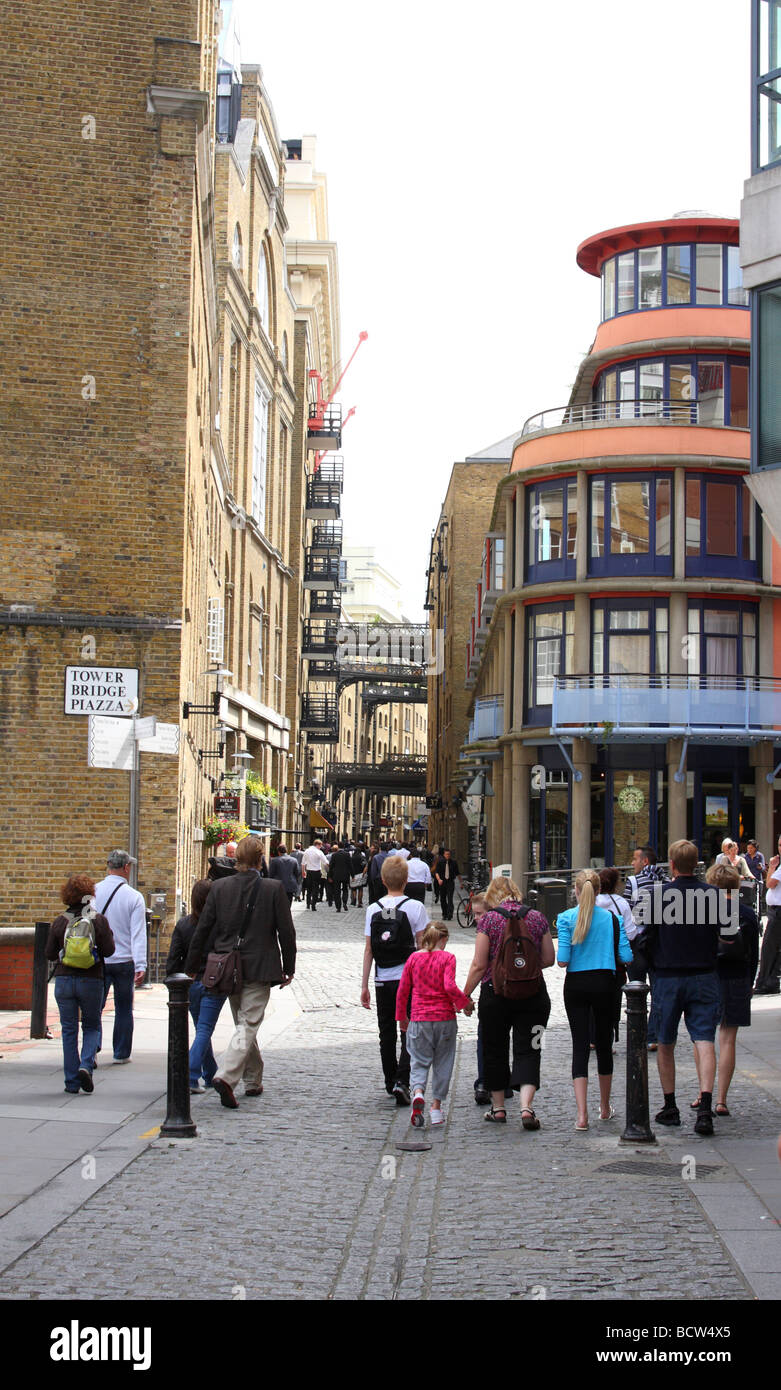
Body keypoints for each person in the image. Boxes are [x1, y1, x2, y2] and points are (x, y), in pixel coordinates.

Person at [185, 834, 296, 1109]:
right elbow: (286, 932)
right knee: (247, 1025)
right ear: (260, 859)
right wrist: (289, 968)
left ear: (237, 860)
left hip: (229, 968)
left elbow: (202, 930)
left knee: (244, 1026)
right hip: (260, 967)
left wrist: (191, 967)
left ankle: (253, 1080)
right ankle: (226, 1075)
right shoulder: (273, 889)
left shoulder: (220, 888)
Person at [641, 839, 723, 1135]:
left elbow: (642, 938)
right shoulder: (715, 896)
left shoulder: (654, 896)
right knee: (704, 1039)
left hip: (667, 976)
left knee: (665, 1042)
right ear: (697, 864)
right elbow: (729, 936)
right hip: (704, 974)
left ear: (671, 865)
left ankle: (670, 1105)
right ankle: (705, 1107)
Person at [462, 876, 555, 1130]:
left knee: (494, 1048)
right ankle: (526, 1107)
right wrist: (524, 966)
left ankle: (499, 1108)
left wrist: (466, 993)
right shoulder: (537, 917)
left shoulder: (490, 920)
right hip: (534, 994)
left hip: (495, 994)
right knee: (531, 1048)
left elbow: (480, 964)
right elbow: (549, 958)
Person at [557, 869, 633, 1130]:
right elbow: (626, 956)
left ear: (576, 891)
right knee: (603, 1044)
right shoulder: (612, 920)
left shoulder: (566, 918)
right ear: (600, 890)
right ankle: (603, 1106)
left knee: (579, 1046)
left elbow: (562, 960)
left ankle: (581, 1114)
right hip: (605, 983)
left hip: (576, 983)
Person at [687, 863, 760, 1117]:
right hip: (737, 977)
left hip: (708, 976)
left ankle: (702, 1092)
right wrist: (751, 981)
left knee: (702, 1038)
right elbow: (753, 955)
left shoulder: (703, 911)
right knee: (728, 1039)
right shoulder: (748, 913)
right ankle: (721, 1100)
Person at [361, 854, 427, 1105]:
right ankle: (403, 1080)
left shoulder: (373, 909)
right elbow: (422, 946)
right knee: (409, 1029)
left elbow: (369, 949)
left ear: (382, 880)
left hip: (382, 979)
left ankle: (390, 1081)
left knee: (385, 1030)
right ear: (407, 879)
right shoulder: (415, 908)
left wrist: (364, 984)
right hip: (408, 979)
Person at [396, 923, 474, 1127]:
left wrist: (401, 1017)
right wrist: (464, 1003)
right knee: (443, 1063)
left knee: (419, 1062)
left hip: (420, 1018)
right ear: (444, 939)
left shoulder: (414, 958)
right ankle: (436, 1108)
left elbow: (403, 989)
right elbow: (449, 985)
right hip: (444, 1019)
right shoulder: (447, 958)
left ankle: (418, 1092)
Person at [46, 874, 115, 1094]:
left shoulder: (60, 921)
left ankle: (71, 1082)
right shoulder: (98, 919)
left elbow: (49, 954)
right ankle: (86, 1065)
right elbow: (110, 951)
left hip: (65, 981)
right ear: (90, 894)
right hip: (91, 979)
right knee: (91, 1025)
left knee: (68, 1030)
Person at [165, 878, 224, 1094]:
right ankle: (189, 1075)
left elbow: (172, 961)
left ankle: (210, 1074)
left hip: (190, 984)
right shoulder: (221, 927)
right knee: (205, 1029)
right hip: (214, 983)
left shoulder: (183, 925)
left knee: (202, 1028)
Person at [94, 850, 147, 1064]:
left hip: (99, 960)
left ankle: (92, 1049)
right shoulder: (134, 897)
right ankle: (121, 1052)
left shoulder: (93, 893)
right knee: (124, 1008)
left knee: (94, 1008)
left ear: (108, 866)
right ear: (126, 867)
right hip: (124, 961)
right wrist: (141, 963)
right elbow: (138, 933)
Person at [597, 867, 635, 1043]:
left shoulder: (591, 902)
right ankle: (609, 1036)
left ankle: (592, 1037)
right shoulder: (621, 903)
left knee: (593, 1002)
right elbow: (631, 933)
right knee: (613, 1000)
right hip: (616, 962)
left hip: (594, 960)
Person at [754, 834, 781, 995]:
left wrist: (771, 866)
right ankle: (770, 981)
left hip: (777, 912)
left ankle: (765, 982)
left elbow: (770, 883)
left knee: (769, 949)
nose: (779, 848)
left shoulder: (778, 867)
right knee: (774, 950)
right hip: (775, 911)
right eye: (778, 845)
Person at [301, 839, 329, 912]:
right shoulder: (319, 852)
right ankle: (313, 905)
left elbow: (303, 863)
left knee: (309, 888)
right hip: (316, 872)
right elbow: (326, 862)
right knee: (315, 889)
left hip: (309, 872)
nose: (321, 847)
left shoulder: (306, 851)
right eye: (320, 845)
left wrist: (303, 871)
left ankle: (307, 904)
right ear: (318, 845)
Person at [434, 847, 459, 922]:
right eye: (446, 854)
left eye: (449, 854)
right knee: (443, 898)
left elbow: (457, 873)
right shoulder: (440, 862)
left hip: (450, 882)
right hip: (442, 882)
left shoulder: (454, 862)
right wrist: (439, 879)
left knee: (450, 898)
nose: (447, 855)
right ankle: (444, 913)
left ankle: (449, 914)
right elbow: (436, 872)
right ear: (444, 855)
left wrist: (461, 883)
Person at [328, 842, 352, 912]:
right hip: (345, 875)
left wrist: (330, 876)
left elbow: (331, 866)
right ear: (344, 847)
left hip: (336, 875)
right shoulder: (347, 854)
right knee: (345, 889)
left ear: (338, 847)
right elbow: (350, 865)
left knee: (337, 891)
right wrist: (353, 875)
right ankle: (344, 902)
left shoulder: (334, 855)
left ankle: (338, 907)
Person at [349, 842, 368, 908]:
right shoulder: (362, 857)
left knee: (354, 888)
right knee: (360, 889)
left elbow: (350, 866)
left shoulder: (352, 858)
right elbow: (365, 865)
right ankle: (360, 902)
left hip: (354, 874)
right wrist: (364, 873)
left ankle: (354, 899)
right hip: (360, 874)